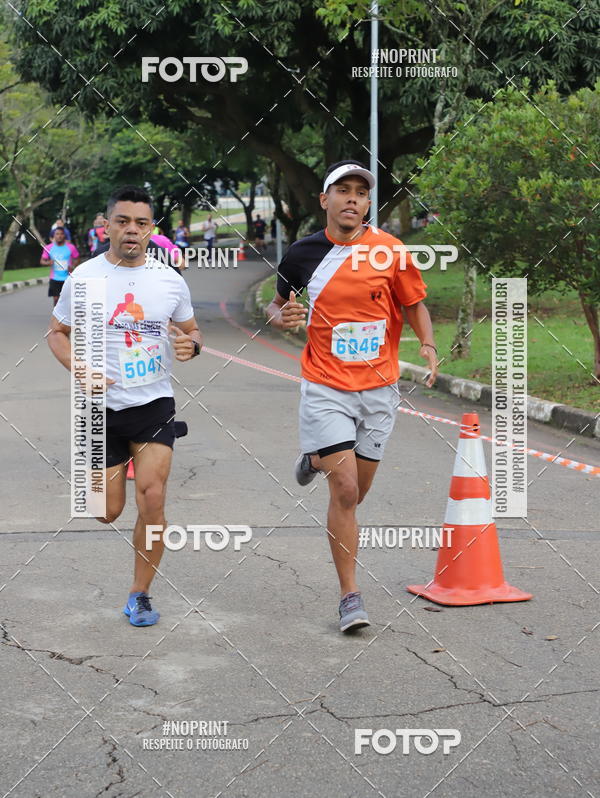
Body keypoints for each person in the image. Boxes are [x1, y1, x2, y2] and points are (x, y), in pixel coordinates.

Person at [266, 160, 438, 633]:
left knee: (357, 493)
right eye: (343, 190)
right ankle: (349, 596)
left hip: (379, 388)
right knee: (343, 490)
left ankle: (314, 458)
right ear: (325, 200)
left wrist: (427, 343)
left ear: (367, 204)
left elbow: (414, 304)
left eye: (361, 193)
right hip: (325, 385)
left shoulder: (390, 251)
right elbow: (277, 306)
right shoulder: (303, 253)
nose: (353, 199)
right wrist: (281, 317)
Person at [47, 185, 202, 628]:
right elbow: (56, 333)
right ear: (108, 226)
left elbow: (192, 331)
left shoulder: (169, 280)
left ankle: (140, 594)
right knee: (105, 511)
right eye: (123, 221)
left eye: (141, 223)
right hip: (99, 409)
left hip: (153, 403)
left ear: (151, 229)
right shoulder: (84, 277)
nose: (132, 229)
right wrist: (79, 369)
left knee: (152, 497)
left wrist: (191, 345)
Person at [40, 227, 80, 306]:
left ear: (64, 235)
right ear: (54, 236)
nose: (59, 236)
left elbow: (77, 258)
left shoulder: (71, 247)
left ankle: (67, 313)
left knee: (68, 300)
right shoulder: (49, 248)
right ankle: (57, 313)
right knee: (56, 299)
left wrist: (72, 266)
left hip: (68, 278)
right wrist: (49, 262)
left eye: (61, 234)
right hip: (55, 278)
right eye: (57, 234)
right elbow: (42, 261)